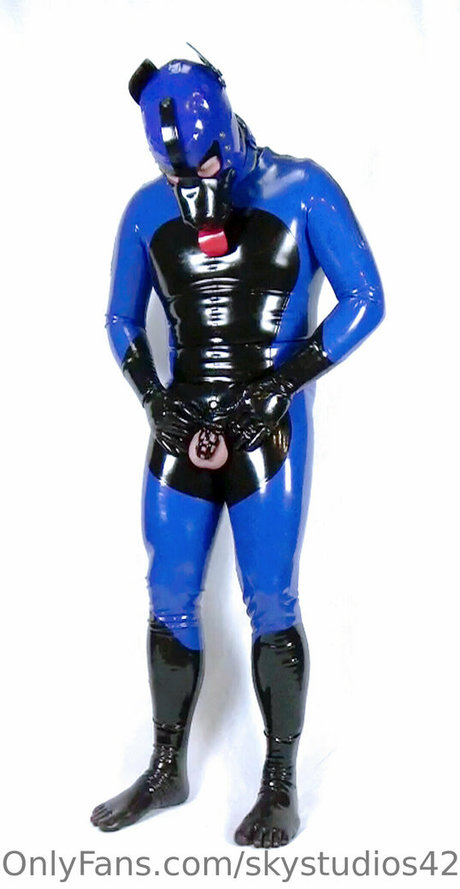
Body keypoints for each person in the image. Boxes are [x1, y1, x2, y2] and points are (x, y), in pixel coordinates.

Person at [90, 51, 384, 846]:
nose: (195, 183)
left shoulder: (303, 188)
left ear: (224, 127)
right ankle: (166, 767)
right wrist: (155, 399)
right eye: (176, 170)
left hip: (271, 429)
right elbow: (119, 318)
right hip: (180, 423)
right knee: (167, 591)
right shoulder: (147, 208)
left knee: (272, 598)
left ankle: (279, 782)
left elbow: (366, 297)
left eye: (206, 164)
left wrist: (283, 382)